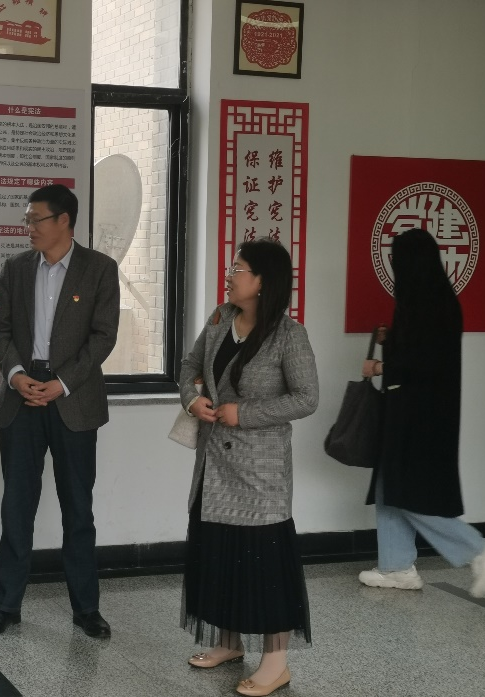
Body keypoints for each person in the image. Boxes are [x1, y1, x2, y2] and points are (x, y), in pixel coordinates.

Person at [0, 184, 120, 639]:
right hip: (21, 397)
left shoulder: (100, 269)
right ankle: (6, 606)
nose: (29, 227)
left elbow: (103, 336)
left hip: (73, 399)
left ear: (64, 221)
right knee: (16, 507)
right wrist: (16, 374)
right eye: (27, 219)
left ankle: (86, 609)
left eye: (35, 218)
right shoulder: (17, 268)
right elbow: (0, 330)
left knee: (78, 509)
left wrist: (62, 383)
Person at [178, 239, 318, 697]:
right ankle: (229, 642)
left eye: (238, 269)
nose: (229, 275)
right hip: (214, 462)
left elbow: (307, 398)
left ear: (262, 281)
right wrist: (192, 398)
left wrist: (246, 413)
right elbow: (190, 365)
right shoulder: (221, 318)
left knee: (264, 561)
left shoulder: (288, 334)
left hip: (260, 472)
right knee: (220, 550)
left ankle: (276, 664)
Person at [358, 227, 485, 594]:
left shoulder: (427, 304)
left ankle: (479, 549)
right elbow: (419, 352)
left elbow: (424, 364)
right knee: (390, 487)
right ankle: (396, 567)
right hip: (417, 413)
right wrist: (390, 341)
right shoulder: (433, 299)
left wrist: (380, 367)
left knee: (407, 490)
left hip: (419, 418)